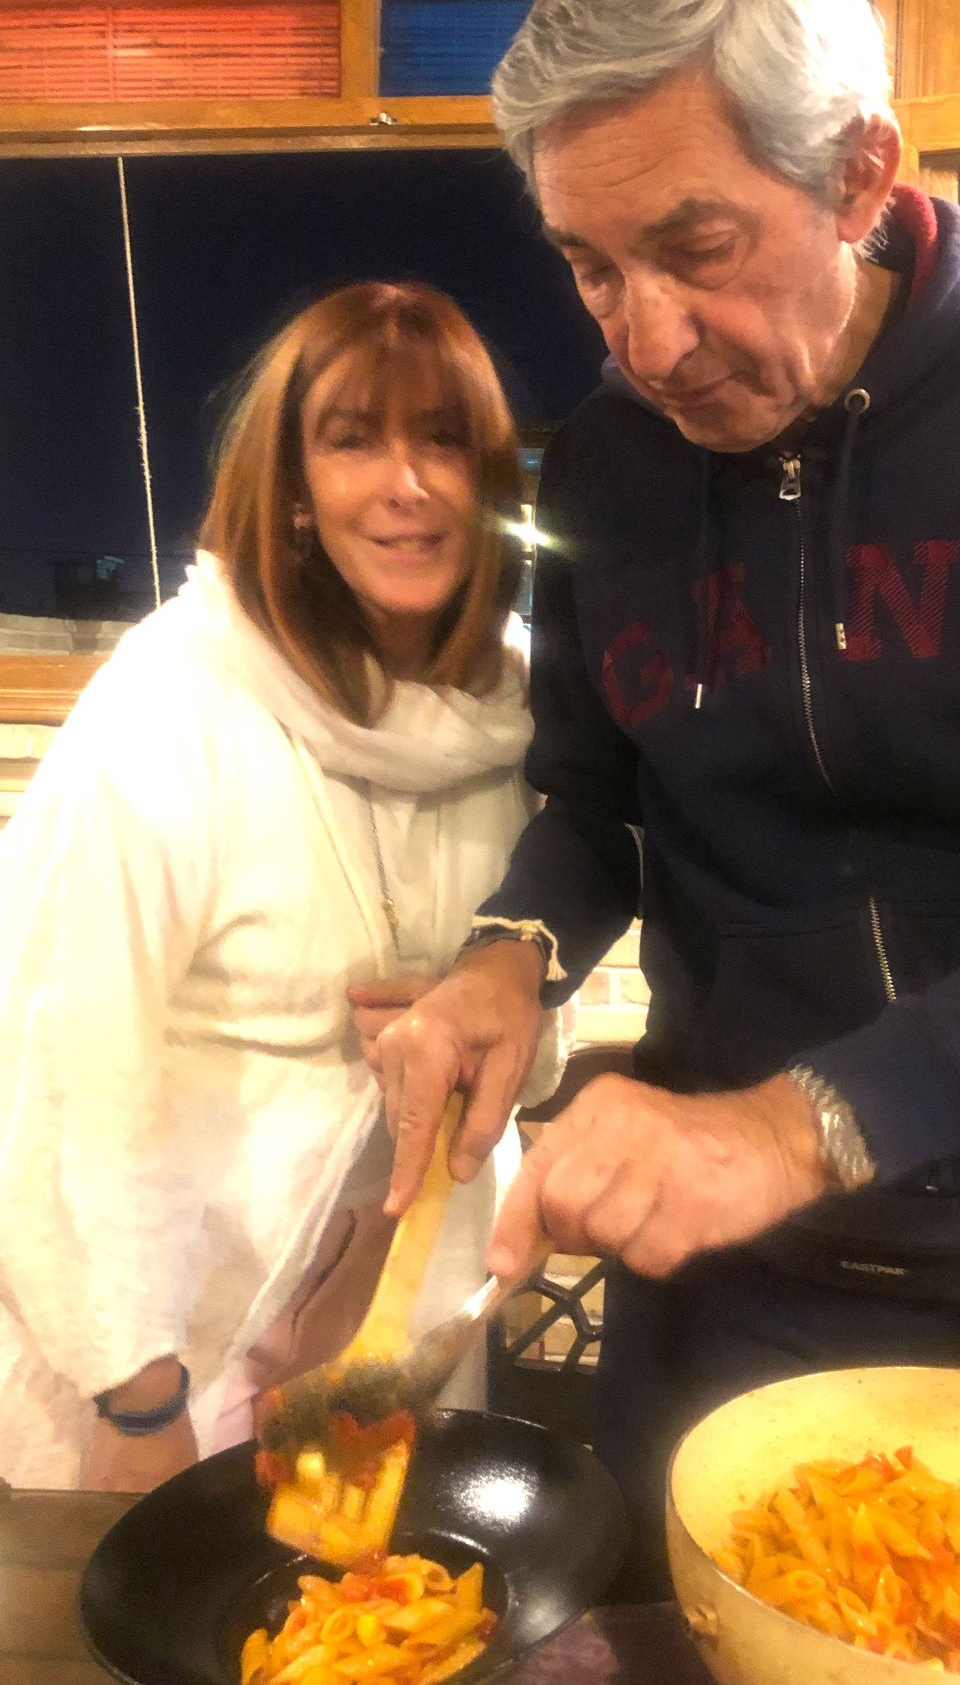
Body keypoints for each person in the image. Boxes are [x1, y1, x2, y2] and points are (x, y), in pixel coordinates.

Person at [369, 0, 960, 1592]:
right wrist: (508, 955)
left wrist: (791, 1127)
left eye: (697, 248)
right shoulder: (599, 471)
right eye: (590, 267)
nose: (645, 342)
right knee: (678, 1616)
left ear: (862, 171)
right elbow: (595, 799)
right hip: (710, 1260)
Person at [0, 279, 564, 1492]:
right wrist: (134, 1392)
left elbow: (541, 1033)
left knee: (377, 1650)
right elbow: (52, 1065)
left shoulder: (520, 720)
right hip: (167, 1351)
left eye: (443, 439)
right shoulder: (170, 708)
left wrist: (479, 1024)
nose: (405, 484)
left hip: (394, 1337)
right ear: (296, 491)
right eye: (354, 439)